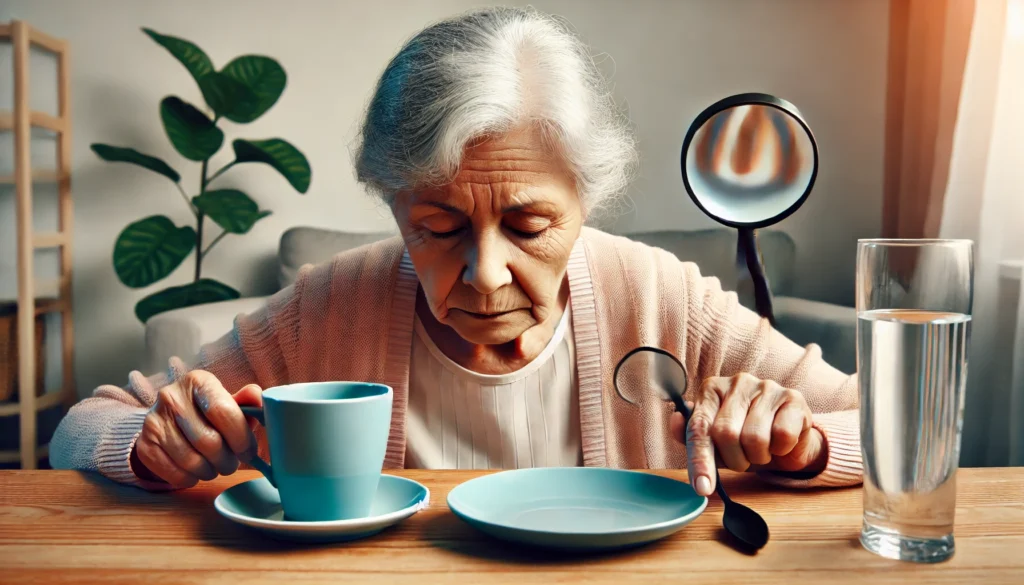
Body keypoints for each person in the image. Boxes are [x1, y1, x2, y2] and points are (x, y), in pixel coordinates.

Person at [51, 6, 861, 497]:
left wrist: (808, 442)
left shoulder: (661, 295)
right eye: (436, 227)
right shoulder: (332, 302)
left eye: (529, 224)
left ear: (588, 200)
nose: (485, 270)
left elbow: (896, 428)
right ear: (392, 203)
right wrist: (149, 446)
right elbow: (80, 427)